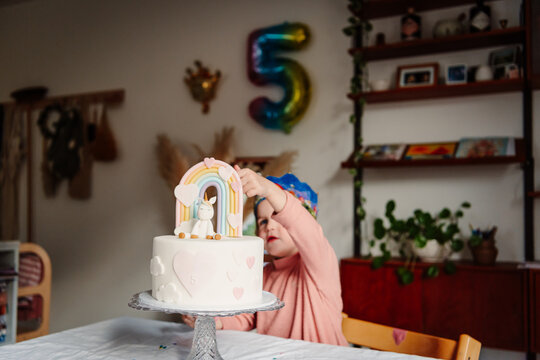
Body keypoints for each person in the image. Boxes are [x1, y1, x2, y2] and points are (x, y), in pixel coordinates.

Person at [182, 165, 348, 346]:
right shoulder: (265, 274)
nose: (270, 226)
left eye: (278, 217)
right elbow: (247, 319)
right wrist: (217, 323)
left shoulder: (320, 263)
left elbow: (305, 228)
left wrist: (268, 189)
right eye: (262, 221)